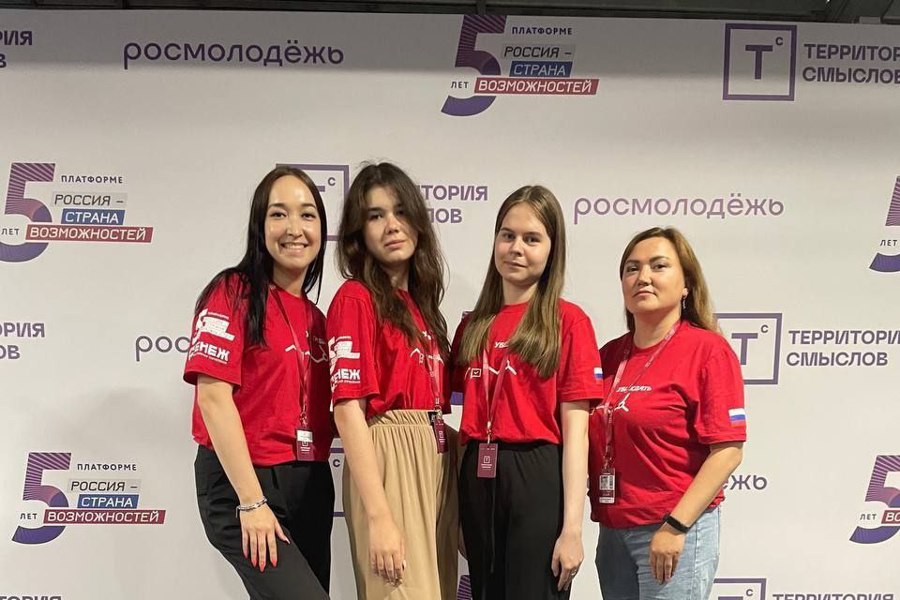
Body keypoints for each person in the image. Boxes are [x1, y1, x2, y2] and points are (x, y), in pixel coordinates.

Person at [184, 166, 333, 600]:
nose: (294, 228)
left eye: (307, 215)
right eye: (278, 214)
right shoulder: (233, 291)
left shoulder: (318, 319)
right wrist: (251, 502)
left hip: (309, 480)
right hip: (244, 483)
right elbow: (213, 399)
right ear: (259, 226)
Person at [452, 185, 603, 600]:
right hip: (479, 473)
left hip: (536, 473)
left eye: (532, 239)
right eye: (508, 235)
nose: (516, 248)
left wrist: (572, 529)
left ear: (552, 250)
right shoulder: (473, 325)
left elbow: (577, 434)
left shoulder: (568, 322)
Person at [588, 226, 746, 600]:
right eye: (632, 268)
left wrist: (675, 525)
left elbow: (728, 451)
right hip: (613, 532)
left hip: (672, 530)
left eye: (658, 266)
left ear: (686, 284)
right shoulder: (608, 356)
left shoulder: (707, 351)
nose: (643, 277)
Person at [328, 162, 458, 600]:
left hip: (435, 457)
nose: (391, 226)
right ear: (358, 232)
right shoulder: (356, 298)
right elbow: (348, 411)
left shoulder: (422, 307)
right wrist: (379, 515)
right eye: (375, 215)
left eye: (401, 211)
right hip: (390, 457)